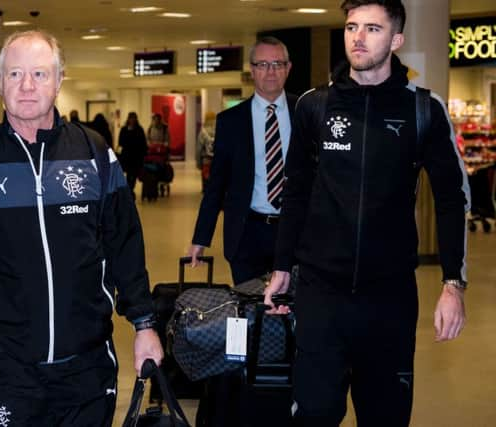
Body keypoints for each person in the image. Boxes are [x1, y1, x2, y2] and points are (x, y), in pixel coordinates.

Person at [0, 30, 162, 426]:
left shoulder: (95, 156)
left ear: (58, 81)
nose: (26, 86)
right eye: (15, 74)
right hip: (10, 364)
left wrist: (144, 324)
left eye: (39, 74)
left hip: (88, 363)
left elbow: (125, 243)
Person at [264, 1, 470, 426]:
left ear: (396, 40)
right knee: (314, 415)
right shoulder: (314, 106)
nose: (358, 37)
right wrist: (282, 265)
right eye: (351, 27)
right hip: (321, 294)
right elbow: (296, 191)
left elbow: (452, 199)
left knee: (385, 417)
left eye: (372, 28)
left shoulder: (422, 111)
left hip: (389, 299)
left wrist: (453, 283)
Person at [188, 36, 297, 285]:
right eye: (263, 64)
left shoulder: (304, 111)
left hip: (295, 234)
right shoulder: (230, 121)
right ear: (252, 70)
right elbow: (216, 185)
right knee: (251, 314)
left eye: (278, 64)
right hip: (248, 234)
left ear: (288, 68)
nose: (270, 72)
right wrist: (200, 238)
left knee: (293, 315)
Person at [118, 111, 147, 196]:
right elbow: (120, 142)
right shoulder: (124, 129)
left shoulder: (139, 129)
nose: (132, 120)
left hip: (136, 156)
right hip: (127, 156)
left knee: (133, 174)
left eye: (133, 118)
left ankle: (130, 189)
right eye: (131, 118)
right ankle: (129, 190)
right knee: (128, 174)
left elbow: (143, 143)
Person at [197, 111, 216, 192]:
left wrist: (198, 163)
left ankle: (206, 190)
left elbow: (199, 149)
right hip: (217, 159)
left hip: (206, 159)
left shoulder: (203, 132)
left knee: (206, 177)